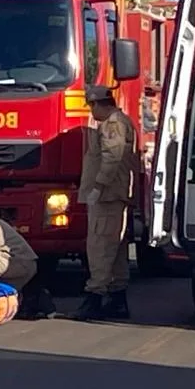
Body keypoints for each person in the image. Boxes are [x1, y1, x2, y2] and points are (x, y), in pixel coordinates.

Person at [73, 85, 140, 321]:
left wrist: (98, 187)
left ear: (99, 103)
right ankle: (117, 299)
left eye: (91, 106)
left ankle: (94, 297)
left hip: (107, 196)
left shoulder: (112, 124)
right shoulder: (119, 122)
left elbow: (112, 158)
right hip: (114, 196)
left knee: (100, 246)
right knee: (116, 248)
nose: (91, 112)